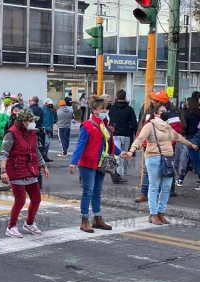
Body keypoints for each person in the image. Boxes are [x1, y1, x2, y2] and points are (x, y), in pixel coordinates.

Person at [125, 106, 198, 225]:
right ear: (156, 114)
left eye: (166, 111)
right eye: (163, 112)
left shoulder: (168, 126)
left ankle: (161, 212)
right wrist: (131, 151)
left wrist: (191, 145)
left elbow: (178, 137)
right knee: (154, 187)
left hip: (168, 159)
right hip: (153, 158)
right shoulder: (150, 126)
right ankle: (153, 214)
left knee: (166, 187)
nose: (166, 113)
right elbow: (139, 139)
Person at [69, 98, 124, 233]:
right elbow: (80, 145)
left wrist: (121, 153)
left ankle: (97, 218)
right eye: (101, 109)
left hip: (102, 163)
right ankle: (84, 220)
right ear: (94, 110)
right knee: (88, 191)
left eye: (105, 109)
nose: (105, 111)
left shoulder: (104, 125)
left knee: (97, 192)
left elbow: (109, 143)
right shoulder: (87, 125)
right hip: (88, 163)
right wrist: (73, 162)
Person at [0, 109, 50, 238]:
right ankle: (11, 227)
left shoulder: (31, 132)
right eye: (31, 121)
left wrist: (43, 165)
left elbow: (35, 151)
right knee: (20, 200)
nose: (33, 123)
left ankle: (29, 223)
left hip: (30, 169)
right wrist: (3, 171)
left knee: (36, 199)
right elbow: (3, 153)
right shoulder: (11, 133)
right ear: (23, 122)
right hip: (16, 170)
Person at [108, 89, 137, 179]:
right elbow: (133, 123)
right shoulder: (129, 109)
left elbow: (109, 120)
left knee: (118, 154)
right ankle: (124, 171)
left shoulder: (112, 108)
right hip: (126, 134)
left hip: (115, 133)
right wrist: (137, 135)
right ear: (125, 98)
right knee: (126, 153)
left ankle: (118, 172)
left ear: (116, 97)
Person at [176, 97, 200, 187]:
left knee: (186, 160)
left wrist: (183, 134)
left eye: (186, 102)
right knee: (195, 160)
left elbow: (183, 126)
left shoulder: (185, 114)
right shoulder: (198, 113)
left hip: (188, 138)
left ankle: (180, 178)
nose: (185, 103)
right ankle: (180, 179)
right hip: (197, 138)